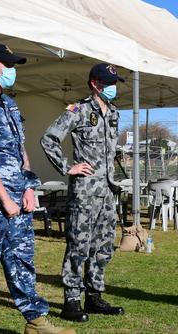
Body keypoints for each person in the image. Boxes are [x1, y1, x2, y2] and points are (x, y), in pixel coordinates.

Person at [0, 43, 74, 334]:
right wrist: (4, 198)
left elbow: (21, 151)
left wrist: (29, 187)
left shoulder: (8, 104)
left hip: (17, 197)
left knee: (21, 259)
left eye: (14, 64)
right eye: (6, 64)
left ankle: (36, 322)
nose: (12, 70)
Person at [41, 63, 125, 322]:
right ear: (95, 84)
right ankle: (72, 300)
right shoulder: (78, 110)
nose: (112, 88)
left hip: (108, 191)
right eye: (108, 83)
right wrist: (69, 167)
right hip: (85, 191)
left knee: (103, 246)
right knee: (79, 245)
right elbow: (49, 139)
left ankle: (95, 295)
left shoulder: (113, 113)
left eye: (114, 83)